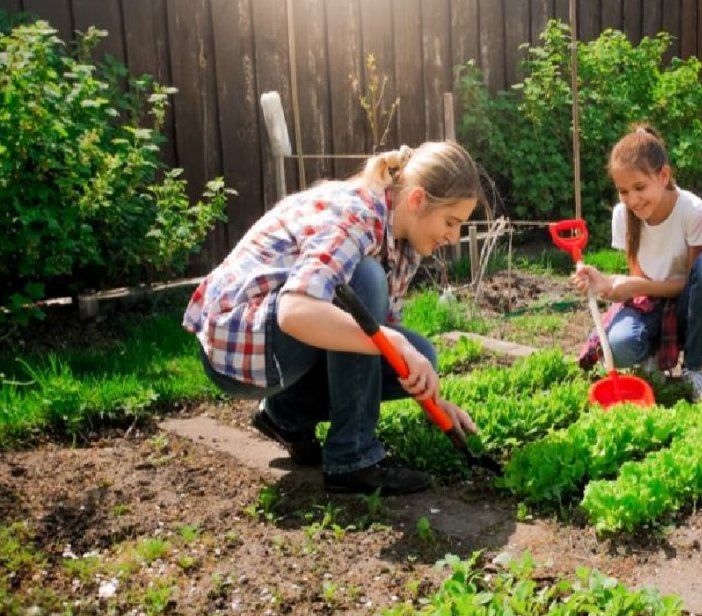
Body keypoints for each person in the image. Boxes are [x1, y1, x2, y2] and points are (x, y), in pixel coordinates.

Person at [182, 141, 482, 495]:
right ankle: (352, 461)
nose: (454, 236)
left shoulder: (404, 241)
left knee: (420, 355)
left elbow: (378, 336)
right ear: (417, 200)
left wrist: (434, 403)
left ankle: (285, 415)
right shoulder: (358, 215)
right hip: (239, 344)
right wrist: (395, 342)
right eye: (451, 221)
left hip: (280, 342)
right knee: (365, 279)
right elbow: (295, 311)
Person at [574, 125, 702, 401]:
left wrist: (634, 286)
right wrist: (605, 283)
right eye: (623, 191)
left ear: (664, 175)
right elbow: (639, 284)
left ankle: (693, 369)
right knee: (618, 346)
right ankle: (649, 359)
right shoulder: (623, 214)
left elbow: (698, 285)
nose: (632, 199)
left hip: (687, 308)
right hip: (650, 304)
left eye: (639, 187)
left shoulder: (693, 211)